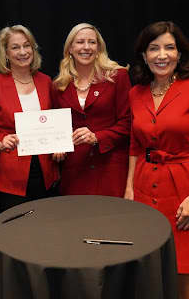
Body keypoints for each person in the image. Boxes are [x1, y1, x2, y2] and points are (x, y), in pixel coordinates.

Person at [124, 21, 189, 299]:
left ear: (180, 54)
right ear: (143, 55)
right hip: (144, 185)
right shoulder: (135, 94)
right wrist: (128, 188)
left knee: (183, 266)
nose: (161, 55)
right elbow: (135, 146)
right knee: (147, 260)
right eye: (153, 48)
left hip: (185, 188)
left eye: (169, 47)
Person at [0, 25, 59, 213]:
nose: (23, 52)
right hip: (10, 177)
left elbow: (55, 123)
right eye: (15, 47)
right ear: (5, 52)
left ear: (33, 48)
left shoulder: (46, 81)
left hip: (46, 173)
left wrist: (60, 147)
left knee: (46, 229)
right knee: (15, 236)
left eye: (26, 45)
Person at [52, 23, 131, 196]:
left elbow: (127, 124)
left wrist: (97, 137)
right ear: (70, 49)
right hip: (75, 173)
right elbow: (57, 128)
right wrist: (57, 146)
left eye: (92, 42)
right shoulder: (59, 85)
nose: (86, 47)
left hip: (111, 169)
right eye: (80, 42)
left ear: (99, 48)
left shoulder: (118, 77)